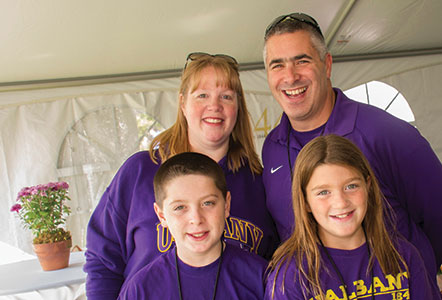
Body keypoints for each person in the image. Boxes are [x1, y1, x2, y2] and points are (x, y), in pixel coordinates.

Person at [84, 52, 279, 299]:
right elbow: (102, 260)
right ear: (183, 103)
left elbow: (278, 261)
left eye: (226, 96)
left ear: (238, 107)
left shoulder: (257, 181)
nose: (214, 106)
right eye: (202, 95)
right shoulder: (140, 171)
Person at [261, 12, 442, 278]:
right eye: (277, 65)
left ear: (327, 65)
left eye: (302, 61)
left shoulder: (384, 132)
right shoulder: (272, 148)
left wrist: (418, 277)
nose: (290, 76)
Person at [265, 135, 441, 299]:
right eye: (323, 192)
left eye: (351, 186)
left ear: (368, 187)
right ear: (305, 202)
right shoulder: (292, 277)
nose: (341, 202)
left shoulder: (404, 256)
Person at [118, 152, 267, 299]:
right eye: (180, 208)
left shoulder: (263, 278)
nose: (196, 219)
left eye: (207, 203)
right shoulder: (140, 290)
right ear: (162, 215)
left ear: (226, 205)